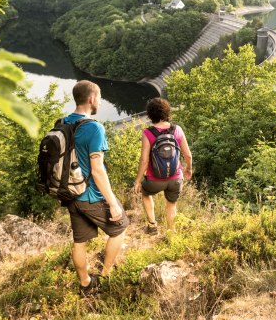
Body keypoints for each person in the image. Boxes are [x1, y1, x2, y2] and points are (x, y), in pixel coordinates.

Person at [63, 80, 129, 296]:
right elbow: (97, 170)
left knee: (79, 241)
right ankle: (106, 274)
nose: (99, 101)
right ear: (91, 99)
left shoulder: (63, 123)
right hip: (90, 194)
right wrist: (112, 203)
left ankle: (85, 284)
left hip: (70, 193)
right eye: (99, 97)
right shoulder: (94, 128)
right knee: (120, 226)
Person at [134, 98, 192, 235]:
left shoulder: (148, 133)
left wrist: (137, 180)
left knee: (146, 193)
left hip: (154, 180)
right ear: (167, 112)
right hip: (175, 178)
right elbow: (188, 155)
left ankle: (152, 225)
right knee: (171, 205)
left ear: (150, 114)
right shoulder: (177, 129)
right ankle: (171, 233)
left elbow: (144, 160)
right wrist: (188, 168)